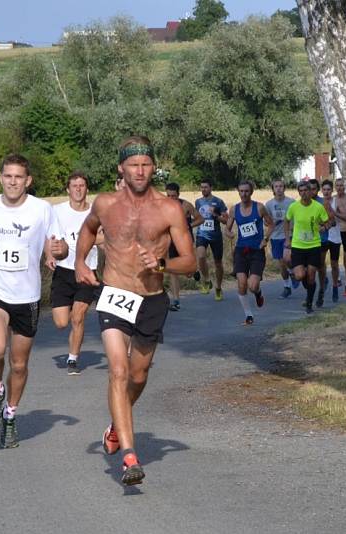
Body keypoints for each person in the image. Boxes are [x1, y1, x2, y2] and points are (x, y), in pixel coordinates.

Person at [75, 135, 196, 486]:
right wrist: (81, 262)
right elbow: (87, 230)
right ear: (121, 168)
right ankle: (130, 457)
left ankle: (117, 422)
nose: (140, 170)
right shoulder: (106, 204)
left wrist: (162, 263)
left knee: (138, 376)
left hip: (152, 298)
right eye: (133, 165)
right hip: (114, 293)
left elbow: (189, 262)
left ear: (153, 167)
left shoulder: (168, 209)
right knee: (118, 370)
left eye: (146, 164)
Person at [0, 154, 68, 448]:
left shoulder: (42, 210)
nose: (13, 182)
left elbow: (58, 246)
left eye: (18, 177)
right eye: (8, 176)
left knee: (19, 365)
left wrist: (59, 251)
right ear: (1, 178)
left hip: (27, 297)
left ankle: (10, 417)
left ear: (28, 181)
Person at [48, 171, 102, 376]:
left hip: (87, 271)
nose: (78, 189)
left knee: (78, 318)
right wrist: (49, 255)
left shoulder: (95, 212)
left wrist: (88, 241)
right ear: (68, 190)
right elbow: (50, 237)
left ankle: (72, 359)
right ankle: (71, 341)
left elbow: (105, 237)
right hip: (63, 271)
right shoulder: (57, 211)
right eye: (74, 186)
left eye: (82, 186)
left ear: (87, 189)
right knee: (62, 323)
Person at [225, 181, 274, 325]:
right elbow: (227, 228)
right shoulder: (234, 210)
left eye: (246, 191)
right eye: (241, 191)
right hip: (241, 250)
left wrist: (265, 239)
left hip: (257, 252)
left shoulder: (259, 208)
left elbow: (271, 224)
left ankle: (258, 293)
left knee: (252, 286)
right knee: (241, 283)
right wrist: (229, 233)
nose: (244, 194)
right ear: (238, 192)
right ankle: (248, 316)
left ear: (251, 192)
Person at [284, 181, 333, 313]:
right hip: (298, 246)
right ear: (298, 192)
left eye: (306, 190)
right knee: (300, 276)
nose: (304, 193)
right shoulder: (293, 207)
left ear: (310, 192)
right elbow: (287, 220)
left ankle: (309, 303)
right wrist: (287, 238)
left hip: (314, 245)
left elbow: (328, 221)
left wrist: (323, 227)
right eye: (301, 191)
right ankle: (311, 289)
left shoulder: (318, 207)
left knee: (311, 275)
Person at [165, 182, 202, 311]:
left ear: (178, 195)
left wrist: (189, 225)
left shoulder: (186, 205)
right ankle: (176, 300)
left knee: (188, 272)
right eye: (168, 196)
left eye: (173, 196)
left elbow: (200, 218)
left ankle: (193, 270)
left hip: (185, 241)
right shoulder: (163, 207)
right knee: (172, 270)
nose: (170, 199)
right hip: (171, 241)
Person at [194, 179, 229, 301]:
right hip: (201, 234)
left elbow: (226, 221)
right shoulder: (198, 202)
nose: (203, 189)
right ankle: (207, 280)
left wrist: (216, 215)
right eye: (201, 187)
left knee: (218, 263)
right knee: (201, 256)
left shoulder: (218, 202)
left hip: (215, 236)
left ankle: (218, 288)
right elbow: (197, 217)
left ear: (211, 188)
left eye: (206, 187)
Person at [264, 178, 296, 299]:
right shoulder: (269, 204)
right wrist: (271, 222)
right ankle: (287, 286)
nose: (279, 188)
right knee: (282, 264)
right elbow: (266, 222)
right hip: (275, 236)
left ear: (284, 188)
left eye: (281, 186)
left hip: (289, 235)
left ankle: (293, 272)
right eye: (276, 186)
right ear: (273, 189)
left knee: (287, 258)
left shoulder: (292, 202)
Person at [320, 180, 342, 304]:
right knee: (321, 264)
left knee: (334, 264)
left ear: (331, 190)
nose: (327, 192)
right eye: (324, 190)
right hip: (323, 237)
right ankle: (323, 286)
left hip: (335, 236)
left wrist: (332, 214)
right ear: (322, 191)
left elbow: (338, 218)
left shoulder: (335, 202)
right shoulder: (319, 203)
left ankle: (335, 287)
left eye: (329, 189)